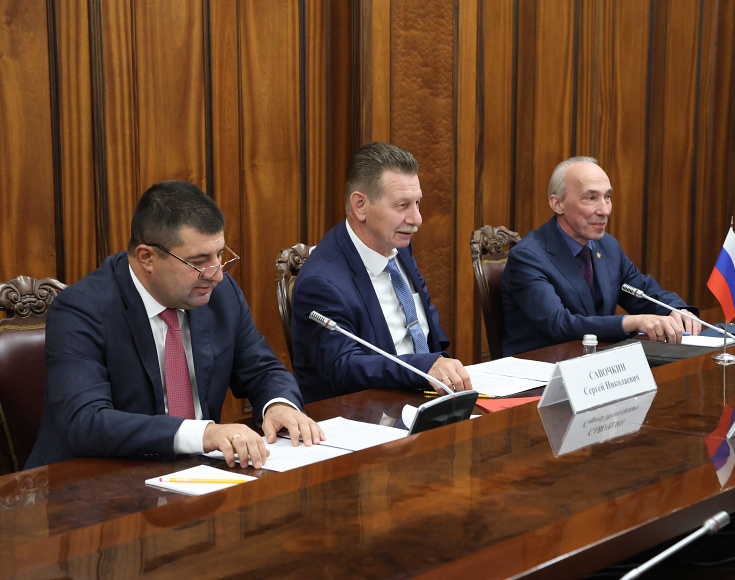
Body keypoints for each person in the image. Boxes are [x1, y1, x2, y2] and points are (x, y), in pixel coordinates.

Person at [26, 181, 324, 470]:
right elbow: (86, 421)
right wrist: (203, 434)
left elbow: (262, 369)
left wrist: (278, 404)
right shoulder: (82, 309)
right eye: (199, 261)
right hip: (95, 482)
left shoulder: (220, 295)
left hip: (200, 476)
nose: (217, 274)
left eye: (220, 255)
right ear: (147, 258)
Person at [291, 142, 472, 403]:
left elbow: (426, 320)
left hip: (425, 397)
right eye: (402, 205)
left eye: (417, 203)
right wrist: (424, 367)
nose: (417, 219)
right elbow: (343, 367)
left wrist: (441, 366)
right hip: (363, 412)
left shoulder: (396, 243)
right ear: (360, 206)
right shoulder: (321, 282)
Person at [501, 157, 700, 356]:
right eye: (591, 198)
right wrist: (631, 321)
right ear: (557, 204)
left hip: (596, 364)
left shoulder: (608, 246)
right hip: (541, 366)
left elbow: (642, 292)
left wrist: (676, 310)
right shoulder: (528, 257)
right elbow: (559, 323)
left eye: (607, 197)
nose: (605, 210)